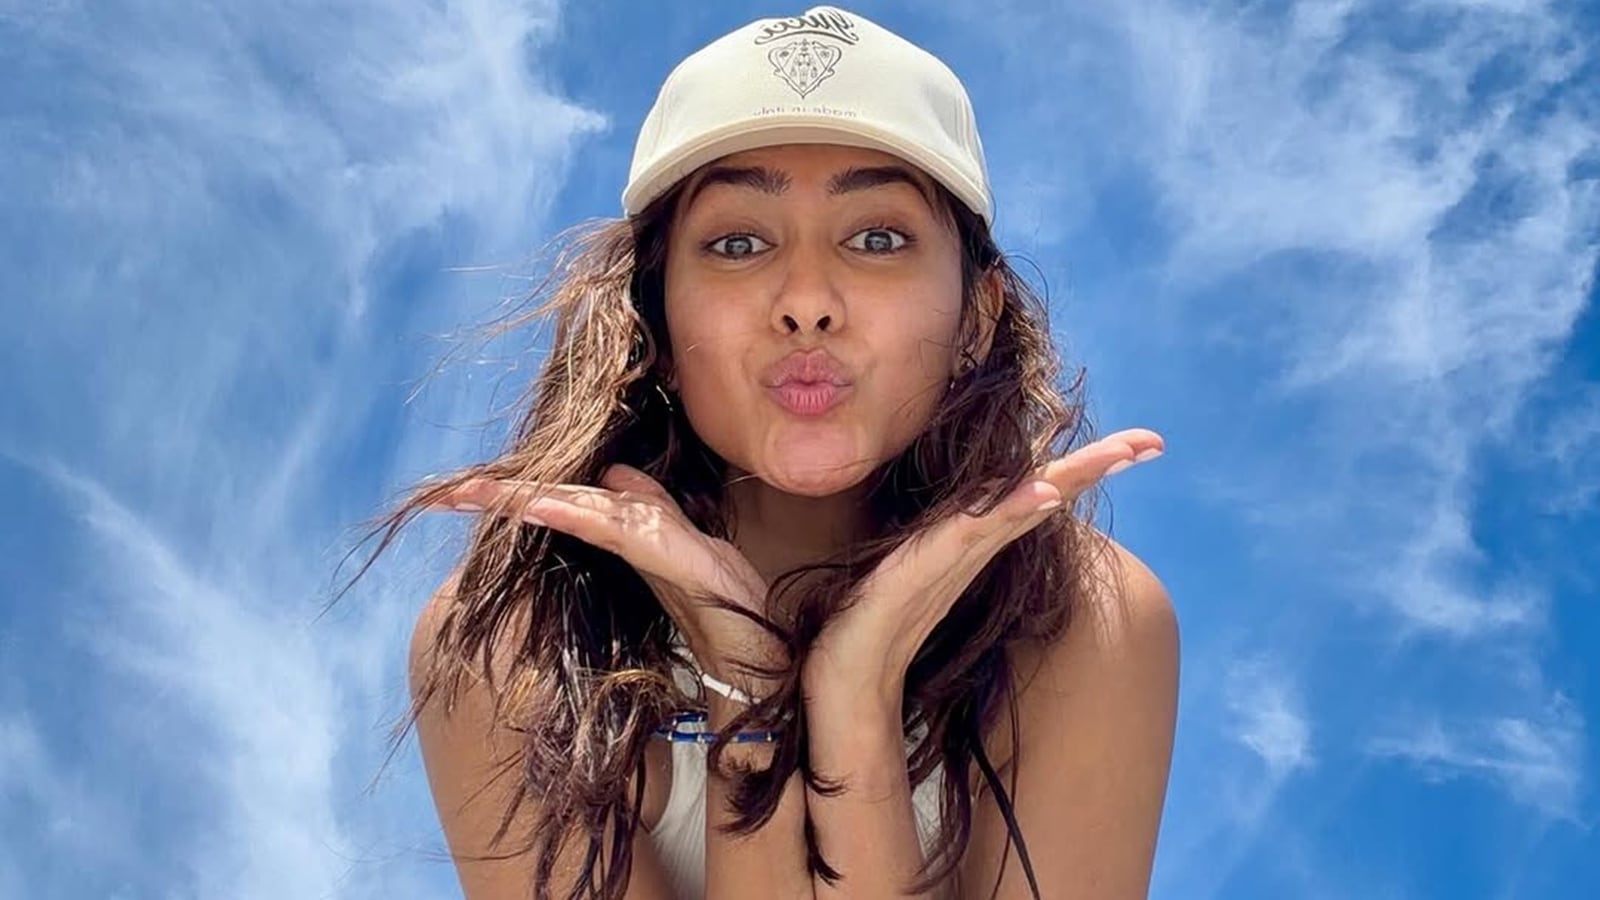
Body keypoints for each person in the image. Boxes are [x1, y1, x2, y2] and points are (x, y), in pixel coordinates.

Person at [354, 6, 1178, 899]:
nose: (806, 301)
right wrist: (745, 687)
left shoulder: (1081, 615)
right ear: (654, 324)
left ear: (976, 320)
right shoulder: (519, 646)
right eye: (738, 243)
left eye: (877, 238)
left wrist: (855, 697)